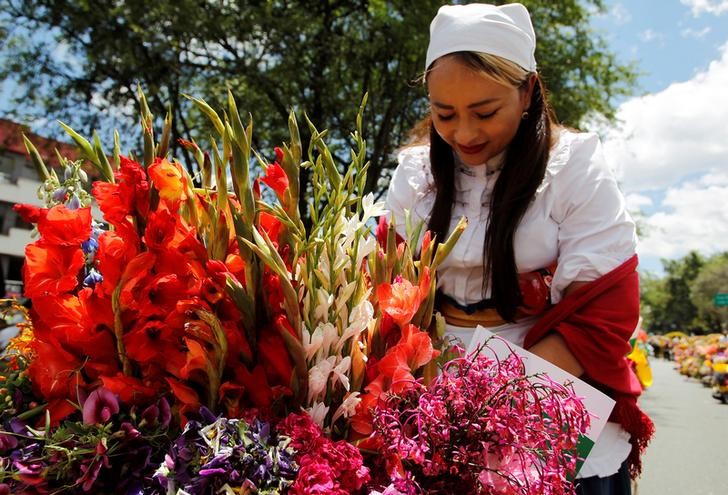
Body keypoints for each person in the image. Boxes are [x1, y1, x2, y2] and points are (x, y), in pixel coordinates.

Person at [385, 4, 653, 494]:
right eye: (444, 113)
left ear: (528, 90)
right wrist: (440, 406)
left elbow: (605, 308)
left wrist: (493, 405)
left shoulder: (572, 166)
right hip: (430, 389)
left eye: (485, 112)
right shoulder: (415, 174)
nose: (464, 134)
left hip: (549, 383)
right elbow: (381, 283)